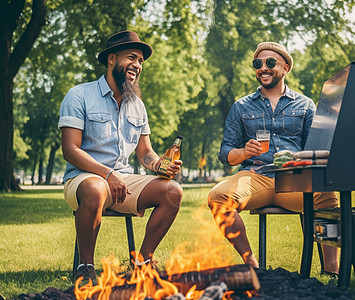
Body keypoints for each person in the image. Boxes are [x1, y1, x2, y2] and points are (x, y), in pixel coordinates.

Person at [58, 31, 183, 284]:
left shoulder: (137, 104)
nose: (137, 65)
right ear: (112, 59)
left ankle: (142, 263)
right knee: (95, 188)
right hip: (83, 181)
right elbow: (70, 150)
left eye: (140, 61)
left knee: (172, 191)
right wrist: (107, 174)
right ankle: (85, 267)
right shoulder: (79, 95)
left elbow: (145, 153)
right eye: (132, 58)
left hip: (122, 180)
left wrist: (160, 165)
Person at [207, 42, 339, 277]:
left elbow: (315, 149)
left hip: (294, 180)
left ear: (285, 68)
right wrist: (244, 153)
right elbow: (225, 152)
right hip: (256, 177)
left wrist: (298, 162)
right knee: (218, 198)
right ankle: (251, 264)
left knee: (327, 193)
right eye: (258, 64)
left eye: (270, 62)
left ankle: (332, 272)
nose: (263, 68)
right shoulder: (241, 106)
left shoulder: (305, 105)